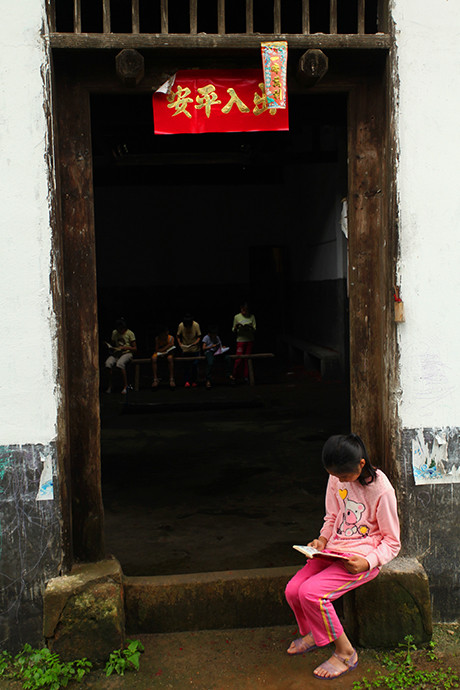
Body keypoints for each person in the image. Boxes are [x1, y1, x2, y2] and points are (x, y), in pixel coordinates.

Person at [285, 433, 400, 680]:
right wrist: (322, 540)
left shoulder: (382, 490)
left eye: (344, 476)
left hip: (360, 559)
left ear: (361, 464)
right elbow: (331, 517)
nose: (339, 481)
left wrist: (367, 562)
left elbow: (392, 542)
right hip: (333, 550)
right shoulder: (336, 478)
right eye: (335, 476)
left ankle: (346, 653)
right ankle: (315, 634)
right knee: (294, 590)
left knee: (312, 593)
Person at [105, 317, 137, 394]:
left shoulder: (130, 333)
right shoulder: (114, 333)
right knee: (108, 363)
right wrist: (111, 348)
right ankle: (110, 385)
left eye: (121, 329)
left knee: (120, 364)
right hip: (117, 353)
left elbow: (135, 348)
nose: (120, 331)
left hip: (127, 353)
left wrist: (126, 347)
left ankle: (125, 386)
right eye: (118, 329)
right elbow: (113, 343)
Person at [231, 302, 256, 383]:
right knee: (238, 358)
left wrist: (250, 327)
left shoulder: (252, 316)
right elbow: (233, 329)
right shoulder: (237, 317)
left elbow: (255, 328)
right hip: (240, 340)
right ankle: (235, 375)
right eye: (243, 310)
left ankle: (246, 376)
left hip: (249, 339)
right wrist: (236, 327)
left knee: (247, 358)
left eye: (246, 311)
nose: (244, 312)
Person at [201, 324, 231, 388]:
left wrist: (222, 347)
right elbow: (203, 348)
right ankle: (208, 379)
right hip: (209, 352)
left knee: (227, 358)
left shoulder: (217, 337)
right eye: (213, 334)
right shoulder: (206, 337)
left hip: (217, 351)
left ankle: (229, 375)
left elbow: (219, 345)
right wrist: (211, 346)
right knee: (210, 362)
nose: (215, 335)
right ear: (209, 334)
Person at [176, 314, 201, 387]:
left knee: (194, 366)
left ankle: (194, 381)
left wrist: (195, 343)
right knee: (186, 366)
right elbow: (178, 336)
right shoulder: (181, 325)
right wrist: (180, 344)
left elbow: (199, 336)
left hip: (194, 349)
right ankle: (186, 381)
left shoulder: (196, 325)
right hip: (185, 349)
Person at [151, 325, 176, 390]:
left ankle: (171, 379)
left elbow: (172, 348)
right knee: (153, 358)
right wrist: (166, 347)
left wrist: (166, 349)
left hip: (169, 353)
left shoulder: (171, 338)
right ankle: (155, 379)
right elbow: (157, 349)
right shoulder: (157, 338)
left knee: (170, 358)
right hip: (160, 352)